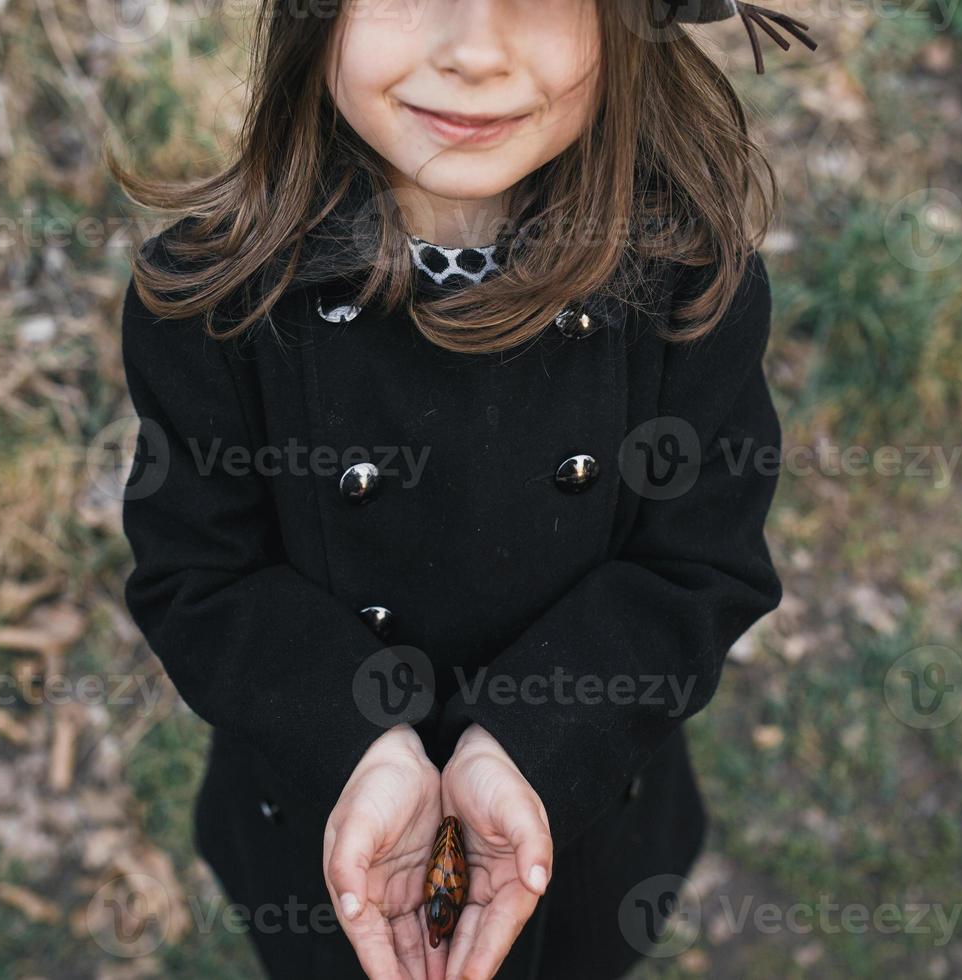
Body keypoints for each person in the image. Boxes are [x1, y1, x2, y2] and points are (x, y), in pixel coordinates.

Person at [112, 1, 812, 976]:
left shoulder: (689, 285)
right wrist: (358, 741)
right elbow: (200, 578)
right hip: (333, 816)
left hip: (576, 814)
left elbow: (698, 567)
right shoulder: (213, 299)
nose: (474, 50)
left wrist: (527, 740)